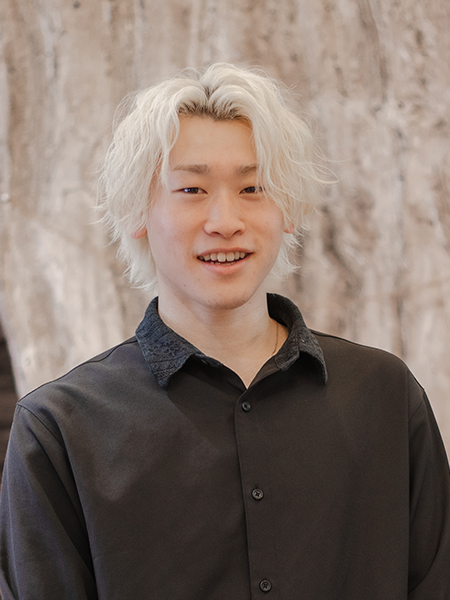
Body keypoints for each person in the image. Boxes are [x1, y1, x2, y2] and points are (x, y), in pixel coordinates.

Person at [0, 63, 449, 600]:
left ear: (287, 209)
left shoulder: (385, 396)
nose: (225, 221)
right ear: (138, 211)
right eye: (191, 188)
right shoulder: (58, 430)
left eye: (253, 187)